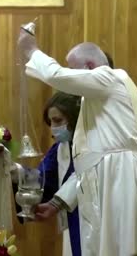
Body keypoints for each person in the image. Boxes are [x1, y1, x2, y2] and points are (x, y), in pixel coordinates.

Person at [18, 29, 137, 255]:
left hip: (118, 177)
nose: (73, 80)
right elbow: (88, 162)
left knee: (119, 243)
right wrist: (57, 204)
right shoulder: (101, 103)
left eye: (75, 71)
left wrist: (31, 50)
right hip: (114, 175)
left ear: (91, 67)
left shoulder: (110, 77)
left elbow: (57, 75)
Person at [36, 91, 82, 256]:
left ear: (74, 118)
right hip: (71, 218)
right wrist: (15, 172)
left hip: (92, 217)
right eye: (51, 122)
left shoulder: (92, 145)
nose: (54, 128)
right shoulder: (60, 148)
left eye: (58, 121)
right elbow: (42, 177)